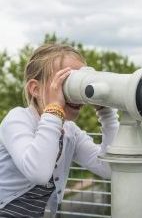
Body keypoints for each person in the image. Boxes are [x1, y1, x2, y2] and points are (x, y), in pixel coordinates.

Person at [0, 43, 119, 218]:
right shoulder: (17, 119)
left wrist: (106, 111)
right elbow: (38, 173)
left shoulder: (70, 131)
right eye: (66, 82)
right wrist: (55, 108)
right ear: (36, 89)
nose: (75, 92)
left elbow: (109, 168)